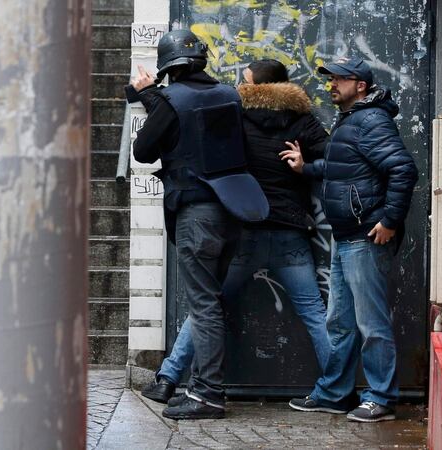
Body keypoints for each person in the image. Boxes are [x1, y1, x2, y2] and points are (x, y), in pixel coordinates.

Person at [141, 59, 331, 405]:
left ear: (255, 86)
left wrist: (149, 95)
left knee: (206, 306)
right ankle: (337, 388)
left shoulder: (236, 118)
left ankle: (168, 378)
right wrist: (306, 167)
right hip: (291, 234)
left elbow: (184, 126)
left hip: (247, 230)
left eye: (244, 80)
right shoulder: (303, 121)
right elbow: (337, 160)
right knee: (315, 314)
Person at [130, 30, 269, 420]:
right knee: (211, 301)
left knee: (204, 305)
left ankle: (207, 394)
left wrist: (151, 96)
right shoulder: (229, 94)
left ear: (168, 67)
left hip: (196, 213)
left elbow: (143, 151)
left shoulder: (170, 99)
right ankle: (199, 388)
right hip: (231, 210)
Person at [281, 57, 418, 422]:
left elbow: (403, 168)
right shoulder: (352, 120)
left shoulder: (371, 120)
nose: (331, 85)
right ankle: (334, 393)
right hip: (347, 237)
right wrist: (305, 168)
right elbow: (343, 167)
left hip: (366, 237)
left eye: (339, 79)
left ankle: (381, 398)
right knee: (339, 322)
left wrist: (389, 220)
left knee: (370, 324)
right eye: (331, 79)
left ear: (360, 85)